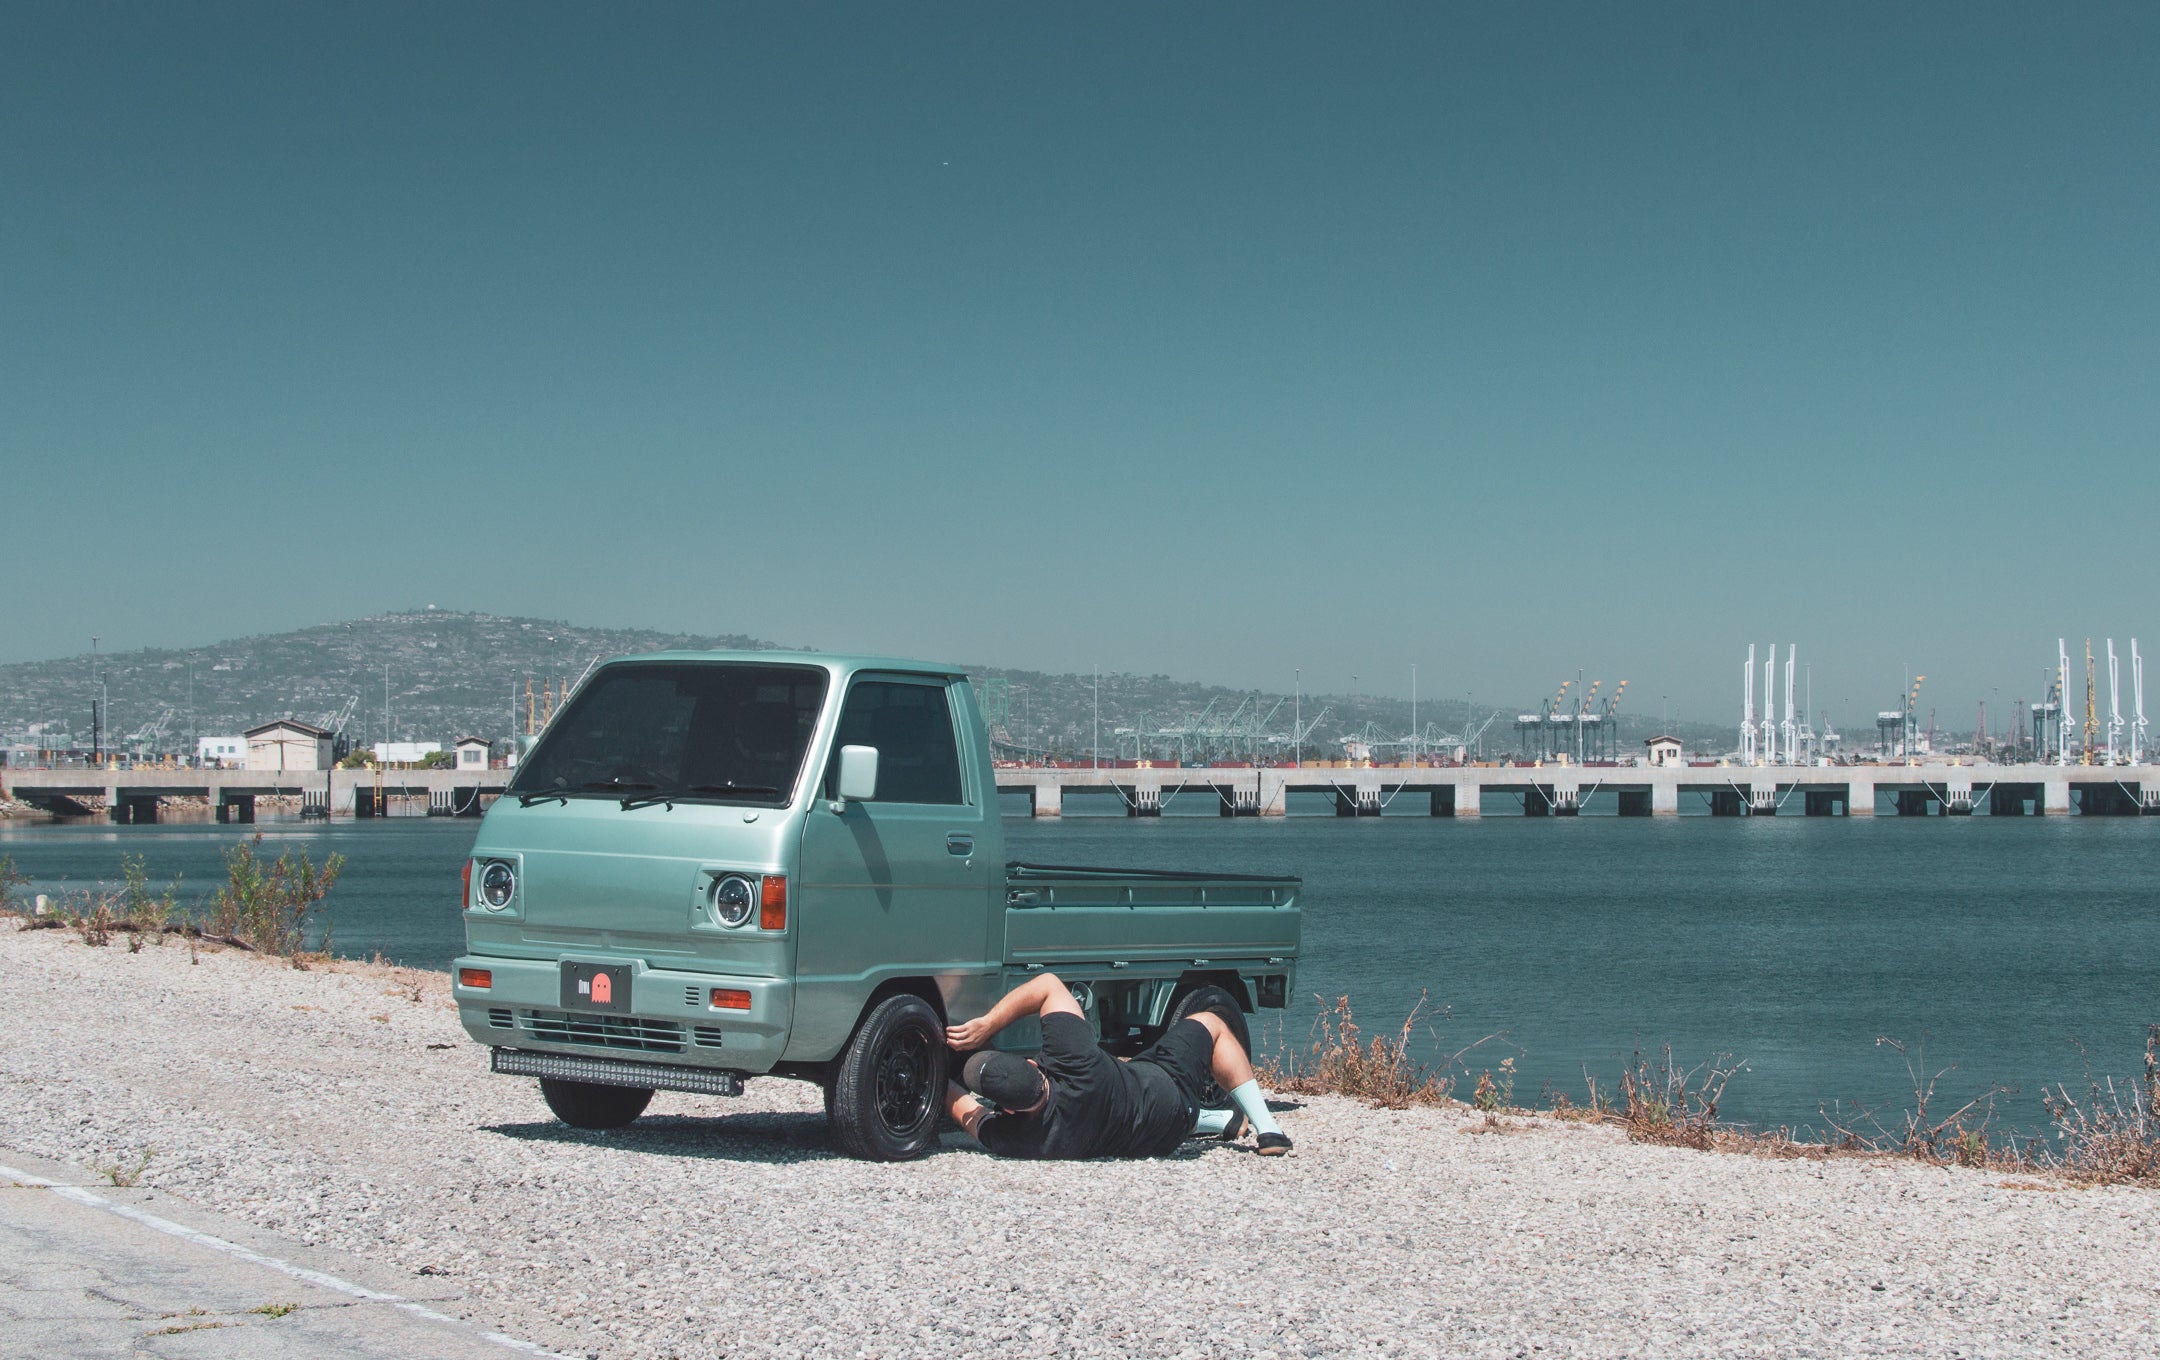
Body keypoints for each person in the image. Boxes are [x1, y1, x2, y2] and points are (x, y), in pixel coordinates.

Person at [943, 971, 1292, 1159]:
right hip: (1162, 1090)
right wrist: (988, 1025)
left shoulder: (1023, 1140)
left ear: (1005, 1108)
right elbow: (1048, 984)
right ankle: (1269, 1128)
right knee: (1211, 1023)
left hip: (1150, 1138)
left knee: (1143, 1098)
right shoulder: (1075, 1060)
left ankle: (1217, 1120)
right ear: (1034, 1065)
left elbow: (969, 1114)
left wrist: (935, 1076)